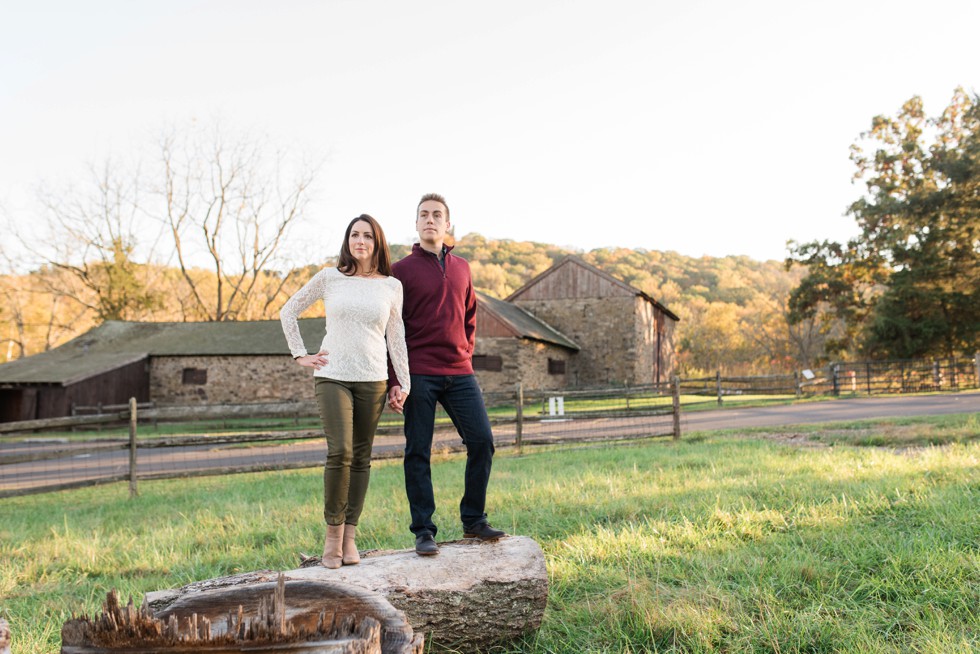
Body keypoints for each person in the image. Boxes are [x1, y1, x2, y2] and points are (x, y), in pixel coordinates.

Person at [280, 214, 410, 569]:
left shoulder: (390, 286)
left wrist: (405, 382)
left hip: (373, 379)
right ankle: (332, 538)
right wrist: (300, 354)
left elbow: (395, 337)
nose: (361, 241)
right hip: (332, 374)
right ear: (347, 240)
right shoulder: (329, 277)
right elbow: (288, 310)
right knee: (341, 452)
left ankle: (350, 538)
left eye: (367, 236)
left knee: (362, 457)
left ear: (376, 242)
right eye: (355, 235)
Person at [387, 193, 506, 556]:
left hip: (460, 371)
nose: (430, 220)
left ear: (447, 224)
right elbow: (390, 328)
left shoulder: (463, 268)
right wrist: (396, 379)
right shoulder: (400, 271)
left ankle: (474, 520)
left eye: (437, 215)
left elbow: (470, 315)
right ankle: (424, 530)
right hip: (418, 372)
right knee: (418, 452)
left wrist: (466, 352)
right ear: (417, 223)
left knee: (483, 441)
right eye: (424, 215)